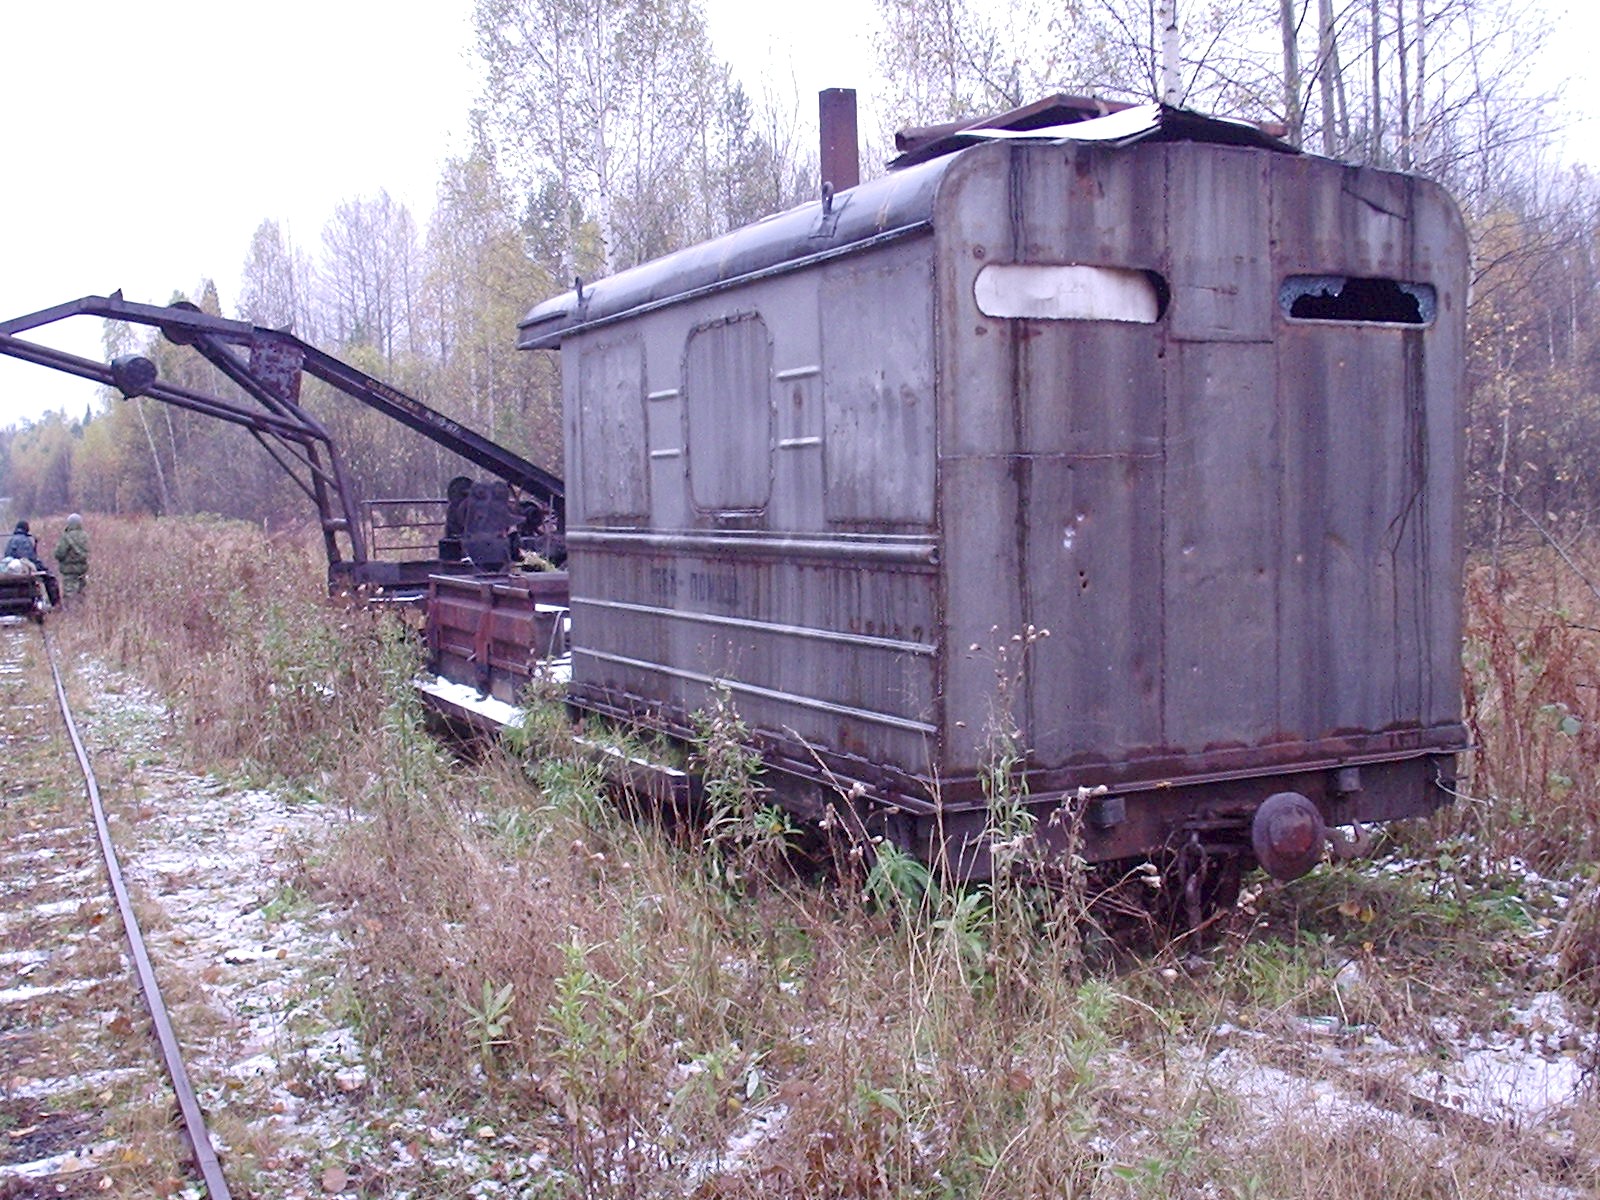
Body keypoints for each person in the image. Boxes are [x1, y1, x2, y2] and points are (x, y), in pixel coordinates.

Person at [4, 520, 60, 606]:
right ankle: (54, 605)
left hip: (11, 570)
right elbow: (30, 558)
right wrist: (43, 568)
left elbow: (7, 556)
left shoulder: (10, 541)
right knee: (49, 579)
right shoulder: (25, 540)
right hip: (24, 569)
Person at [54, 514, 89, 599]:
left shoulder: (66, 537)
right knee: (81, 593)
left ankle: (71, 611)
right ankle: (82, 611)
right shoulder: (85, 536)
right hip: (82, 569)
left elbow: (59, 553)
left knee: (69, 595)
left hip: (69, 570)